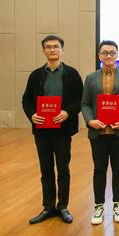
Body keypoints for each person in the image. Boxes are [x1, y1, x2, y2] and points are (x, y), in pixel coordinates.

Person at [22, 35, 83, 224]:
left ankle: (62, 206)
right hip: (42, 130)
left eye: (56, 47)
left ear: (62, 50)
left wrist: (67, 112)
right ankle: (48, 207)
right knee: (46, 169)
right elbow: (26, 99)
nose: (52, 50)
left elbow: (80, 99)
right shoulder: (36, 75)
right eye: (48, 47)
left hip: (63, 130)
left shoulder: (72, 74)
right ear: (43, 51)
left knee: (63, 169)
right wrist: (32, 115)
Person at [81, 40, 119, 225]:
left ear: (117, 55)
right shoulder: (91, 78)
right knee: (99, 169)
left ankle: (117, 205)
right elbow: (85, 104)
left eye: (112, 53)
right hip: (98, 132)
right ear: (99, 55)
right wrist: (90, 121)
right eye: (105, 52)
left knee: (118, 168)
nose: (108, 56)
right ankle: (98, 206)